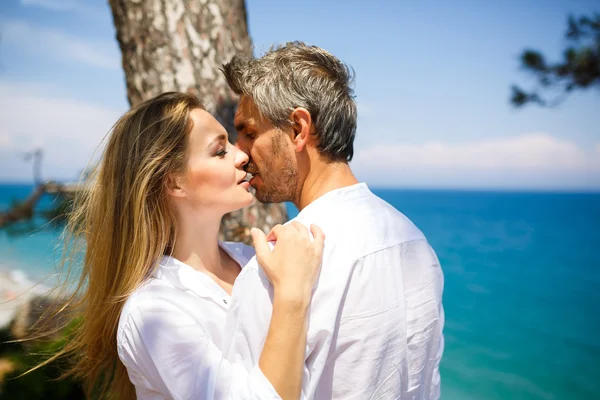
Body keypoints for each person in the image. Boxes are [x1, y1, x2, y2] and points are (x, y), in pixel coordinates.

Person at [39, 92, 325, 400]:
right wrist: (293, 295)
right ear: (174, 181)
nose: (242, 155)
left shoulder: (256, 261)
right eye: (219, 151)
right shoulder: (153, 312)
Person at [221, 42, 445, 399]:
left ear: (297, 129)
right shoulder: (416, 245)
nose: (239, 150)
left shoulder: (275, 269)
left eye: (249, 131)